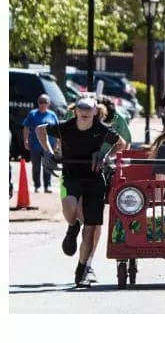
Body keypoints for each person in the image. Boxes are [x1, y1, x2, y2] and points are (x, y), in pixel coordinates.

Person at [35, 97, 126, 288]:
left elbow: (121, 144)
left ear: (95, 112)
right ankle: (72, 225)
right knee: (70, 207)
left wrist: (104, 155)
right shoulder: (65, 127)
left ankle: (81, 270)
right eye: (80, 108)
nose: (84, 112)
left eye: (88, 109)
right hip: (72, 175)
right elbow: (40, 129)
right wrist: (49, 152)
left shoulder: (101, 129)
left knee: (90, 228)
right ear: (75, 111)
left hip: (94, 179)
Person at [22, 94, 59, 193]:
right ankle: (37, 185)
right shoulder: (32, 114)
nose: (42, 104)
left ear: (49, 104)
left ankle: (47, 186)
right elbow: (26, 127)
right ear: (38, 103)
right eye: (41, 102)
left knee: (48, 166)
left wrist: (56, 143)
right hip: (35, 146)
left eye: (45, 102)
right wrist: (26, 140)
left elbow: (57, 130)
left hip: (48, 146)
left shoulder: (52, 115)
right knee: (36, 166)